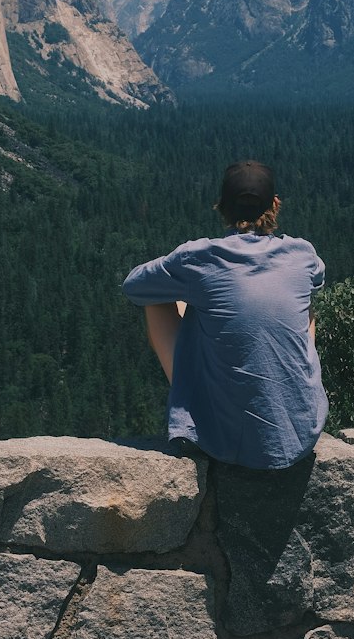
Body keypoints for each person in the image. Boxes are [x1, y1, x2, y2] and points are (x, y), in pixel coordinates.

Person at [121, 160, 329, 470]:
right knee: (306, 306)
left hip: (222, 441)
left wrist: (187, 281)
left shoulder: (198, 257)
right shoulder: (303, 254)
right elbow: (316, 278)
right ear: (275, 204)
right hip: (301, 434)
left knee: (159, 299)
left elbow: (134, 286)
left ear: (222, 206)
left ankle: (194, 406)